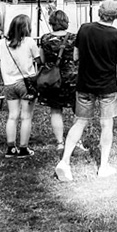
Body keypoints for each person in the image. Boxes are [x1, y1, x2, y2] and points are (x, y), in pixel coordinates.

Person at [56, 0, 117, 181]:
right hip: (107, 85)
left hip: (85, 83)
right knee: (106, 124)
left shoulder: (85, 28)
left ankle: (64, 161)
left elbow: (75, 56)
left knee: (79, 122)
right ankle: (103, 166)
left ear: (99, 12)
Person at [36, 10, 79, 156]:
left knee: (55, 110)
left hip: (52, 79)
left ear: (52, 23)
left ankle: (60, 143)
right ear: (66, 22)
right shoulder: (74, 38)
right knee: (77, 111)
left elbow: (41, 59)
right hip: (72, 78)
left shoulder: (45, 38)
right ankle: (77, 141)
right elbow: (76, 57)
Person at [0, 14, 38, 157]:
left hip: (9, 82)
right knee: (26, 116)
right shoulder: (29, 42)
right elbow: (38, 59)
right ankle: (23, 148)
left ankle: (10, 148)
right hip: (26, 82)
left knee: (12, 116)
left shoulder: (2, 43)